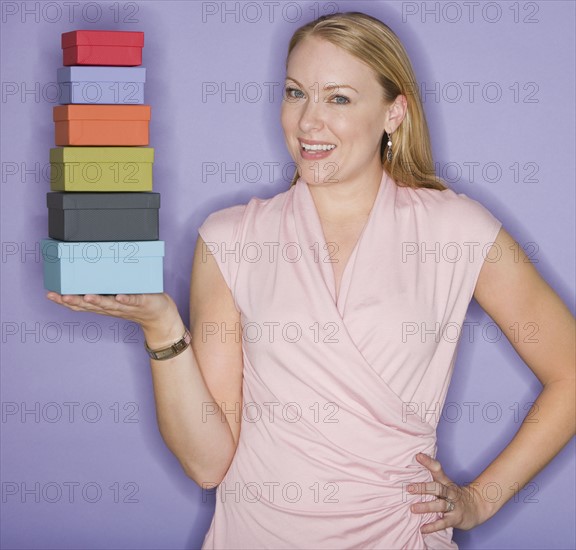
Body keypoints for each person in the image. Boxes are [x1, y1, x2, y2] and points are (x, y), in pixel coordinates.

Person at [46, 11, 575, 550]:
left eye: (338, 98)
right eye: (296, 93)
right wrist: (161, 327)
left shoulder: (456, 229)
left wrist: (480, 500)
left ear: (394, 113)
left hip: (397, 536)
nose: (307, 122)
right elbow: (208, 464)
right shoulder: (230, 238)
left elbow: (570, 373)